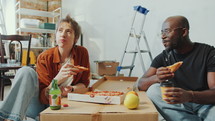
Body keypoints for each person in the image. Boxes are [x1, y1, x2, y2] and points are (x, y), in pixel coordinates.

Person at [0, 15, 90, 121]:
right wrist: (57, 79)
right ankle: (8, 118)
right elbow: (43, 97)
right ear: (56, 35)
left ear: (76, 38)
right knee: (26, 71)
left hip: (63, 103)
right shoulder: (45, 57)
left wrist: (72, 89)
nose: (63, 34)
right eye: (60, 30)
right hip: (42, 104)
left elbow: (85, 84)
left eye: (68, 31)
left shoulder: (82, 53)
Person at [137, 15, 215, 121]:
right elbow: (141, 84)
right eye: (162, 32)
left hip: (205, 105)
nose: (163, 36)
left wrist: (190, 95)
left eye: (167, 31)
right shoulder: (164, 57)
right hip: (179, 106)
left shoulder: (208, 53)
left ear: (184, 32)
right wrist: (157, 78)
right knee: (153, 90)